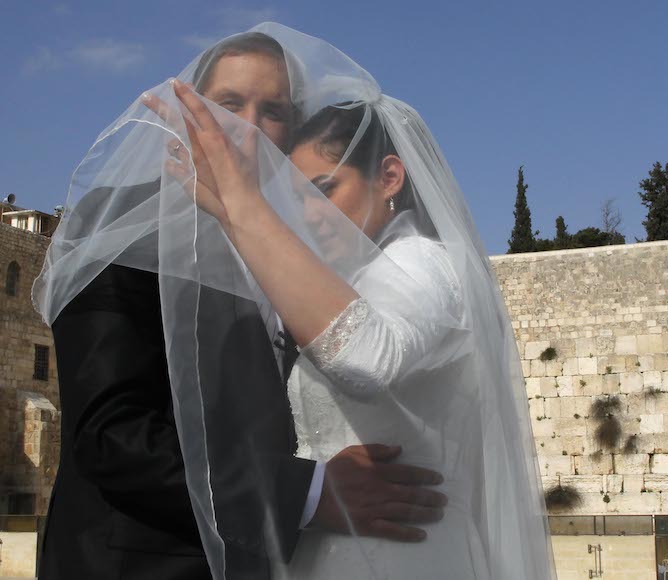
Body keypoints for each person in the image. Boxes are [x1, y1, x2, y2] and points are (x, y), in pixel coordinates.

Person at [35, 31, 446, 580]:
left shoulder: (301, 246)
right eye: (229, 103)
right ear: (187, 111)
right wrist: (310, 492)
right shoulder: (122, 226)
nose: (248, 125)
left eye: (273, 110)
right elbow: (110, 433)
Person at [154, 23, 555, 579]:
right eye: (295, 196)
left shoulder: (426, 262)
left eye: (324, 190)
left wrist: (240, 208)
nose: (307, 215)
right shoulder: (352, 281)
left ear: (389, 176)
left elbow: (369, 355)